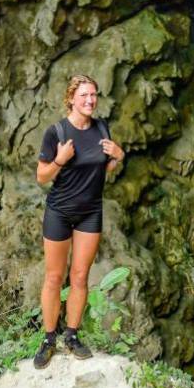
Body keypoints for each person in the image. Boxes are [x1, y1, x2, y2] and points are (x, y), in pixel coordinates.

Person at [33, 74, 125, 368]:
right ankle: (49, 339)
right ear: (71, 98)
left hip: (90, 211)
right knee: (54, 277)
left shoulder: (101, 127)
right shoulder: (57, 132)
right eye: (84, 95)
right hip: (60, 210)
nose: (90, 100)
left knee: (81, 276)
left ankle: (71, 336)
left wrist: (118, 156)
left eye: (94, 94)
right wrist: (59, 160)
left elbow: (103, 167)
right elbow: (41, 177)